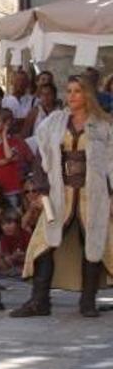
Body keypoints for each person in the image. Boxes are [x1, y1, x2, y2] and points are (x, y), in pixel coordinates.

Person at [11, 75, 113, 319]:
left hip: (94, 194)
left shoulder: (103, 125)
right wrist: (41, 188)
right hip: (57, 192)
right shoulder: (54, 123)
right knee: (44, 244)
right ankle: (39, 301)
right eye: (69, 90)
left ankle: (87, 302)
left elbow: (111, 163)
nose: (72, 95)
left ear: (88, 94)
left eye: (78, 90)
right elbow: (40, 158)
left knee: (94, 244)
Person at [0, 209, 30, 277]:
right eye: (3, 224)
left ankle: (6, 274)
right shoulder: (4, 238)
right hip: (12, 265)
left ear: (18, 223)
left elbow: (32, 257)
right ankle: (7, 274)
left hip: (25, 265)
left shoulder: (26, 236)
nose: (6, 227)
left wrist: (23, 256)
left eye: (9, 223)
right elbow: (7, 258)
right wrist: (13, 257)